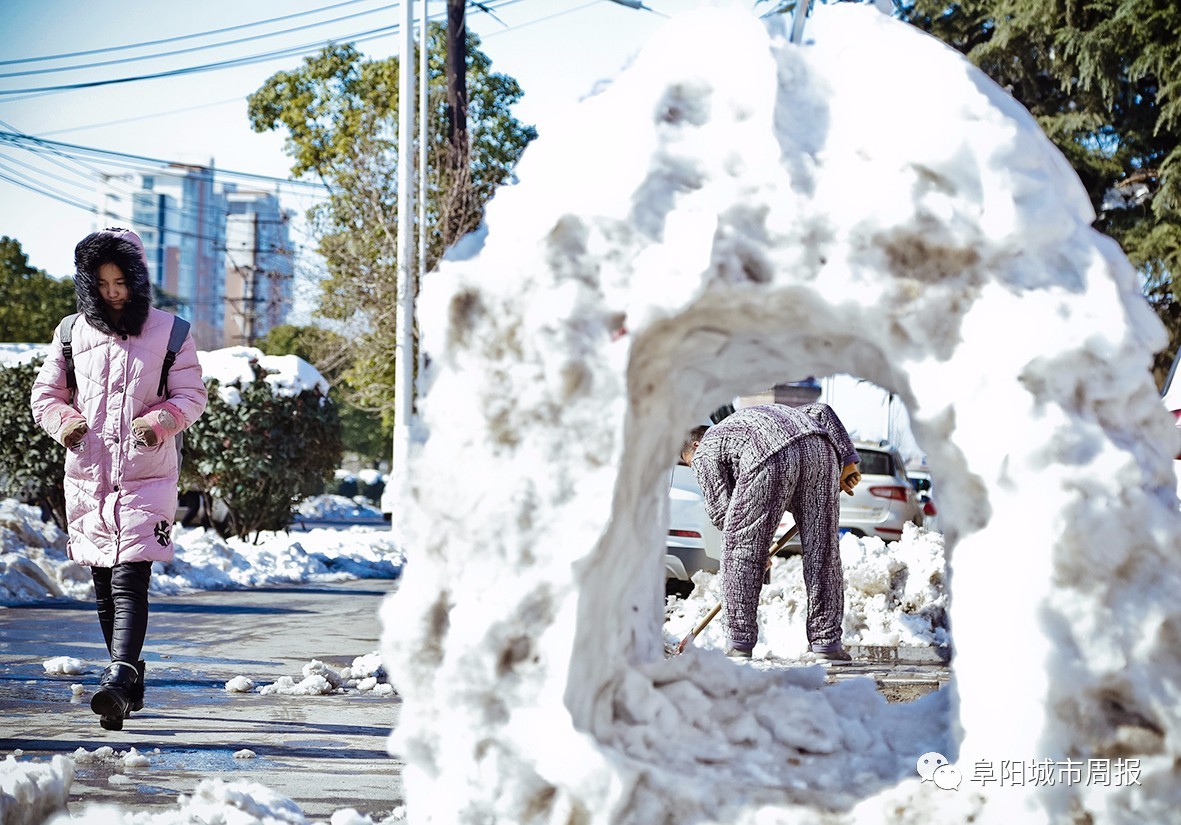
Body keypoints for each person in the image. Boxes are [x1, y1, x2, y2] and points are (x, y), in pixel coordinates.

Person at [30, 228, 207, 730]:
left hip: (146, 475)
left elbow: (191, 395)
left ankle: (118, 676)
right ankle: (127, 681)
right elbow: (46, 396)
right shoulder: (70, 333)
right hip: (88, 477)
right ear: (89, 282)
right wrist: (65, 424)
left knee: (131, 578)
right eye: (102, 282)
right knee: (104, 585)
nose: (113, 291)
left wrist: (158, 423)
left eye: (121, 280)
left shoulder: (172, 332)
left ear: (137, 278)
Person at [680, 403, 861, 663]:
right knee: (823, 551)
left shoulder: (705, 449)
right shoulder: (745, 420)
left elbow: (722, 513)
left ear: (694, 447)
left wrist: (752, 548)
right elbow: (821, 411)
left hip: (766, 453)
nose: (693, 467)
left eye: (688, 463)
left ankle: (739, 645)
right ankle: (827, 644)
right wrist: (848, 460)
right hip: (820, 448)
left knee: (739, 550)